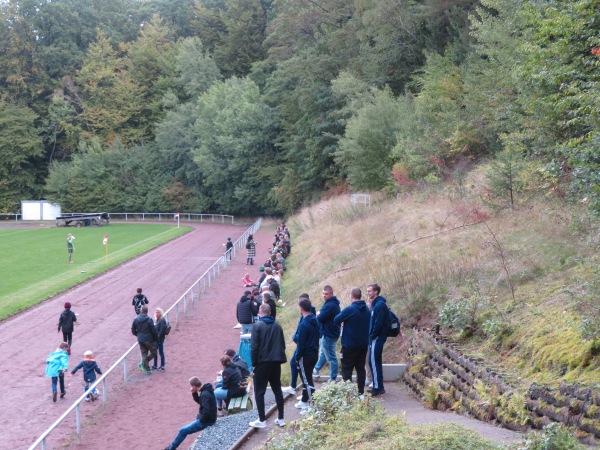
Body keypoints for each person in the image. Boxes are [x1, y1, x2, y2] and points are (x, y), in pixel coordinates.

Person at [249, 304, 286, 428]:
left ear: (260, 312)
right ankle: (281, 418)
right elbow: (283, 344)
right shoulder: (277, 326)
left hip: (262, 363)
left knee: (259, 392)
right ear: (270, 313)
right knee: (277, 389)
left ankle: (262, 420)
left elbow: (254, 347)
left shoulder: (257, 326)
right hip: (276, 362)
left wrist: (254, 364)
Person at [334, 287, 371, 396]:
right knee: (360, 369)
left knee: (347, 370)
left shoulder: (350, 309)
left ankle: (348, 395)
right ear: (360, 296)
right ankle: (361, 393)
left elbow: (336, 319)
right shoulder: (367, 310)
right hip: (363, 344)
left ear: (351, 296)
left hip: (349, 345)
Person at [163, 377, 217, 450]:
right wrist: (194, 393)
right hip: (211, 418)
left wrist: (201, 420)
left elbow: (206, 411)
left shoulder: (204, 394)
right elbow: (201, 402)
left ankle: (171, 448)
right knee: (189, 425)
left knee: (183, 430)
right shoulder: (206, 390)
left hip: (208, 421)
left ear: (194, 386)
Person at [283, 293, 314, 394]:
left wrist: (295, 338)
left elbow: (302, 333)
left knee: (306, 376)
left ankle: (307, 398)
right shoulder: (310, 316)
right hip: (307, 348)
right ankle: (299, 390)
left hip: (304, 349)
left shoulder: (307, 317)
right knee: (303, 373)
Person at [294, 298, 320, 409]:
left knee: (307, 380)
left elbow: (301, 343)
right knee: (307, 378)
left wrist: (297, 356)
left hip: (305, 355)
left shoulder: (303, 324)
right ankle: (304, 400)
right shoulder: (315, 320)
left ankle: (312, 405)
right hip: (314, 352)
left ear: (301, 308)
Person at [313, 285, 341, 382]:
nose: (324, 295)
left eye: (326, 294)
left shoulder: (330, 305)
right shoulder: (330, 303)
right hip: (330, 332)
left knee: (331, 357)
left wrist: (318, 314)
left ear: (331, 294)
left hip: (329, 333)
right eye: (323, 293)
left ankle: (333, 378)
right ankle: (315, 370)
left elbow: (320, 318)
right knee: (323, 354)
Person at [367, 283, 388, 396]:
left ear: (376, 292)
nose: (367, 293)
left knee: (373, 362)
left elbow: (378, 323)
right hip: (375, 337)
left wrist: (372, 335)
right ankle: (379, 386)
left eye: (369, 291)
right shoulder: (375, 304)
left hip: (377, 337)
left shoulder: (379, 305)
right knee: (375, 361)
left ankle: (377, 387)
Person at [131, 305, 158, 375]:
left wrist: (138, 335)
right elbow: (153, 330)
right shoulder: (149, 319)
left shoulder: (135, 319)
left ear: (141, 311)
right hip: (149, 340)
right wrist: (156, 339)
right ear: (147, 311)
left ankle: (147, 369)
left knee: (144, 354)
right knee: (154, 353)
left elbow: (133, 330)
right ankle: (144, 364)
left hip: (140, 340)